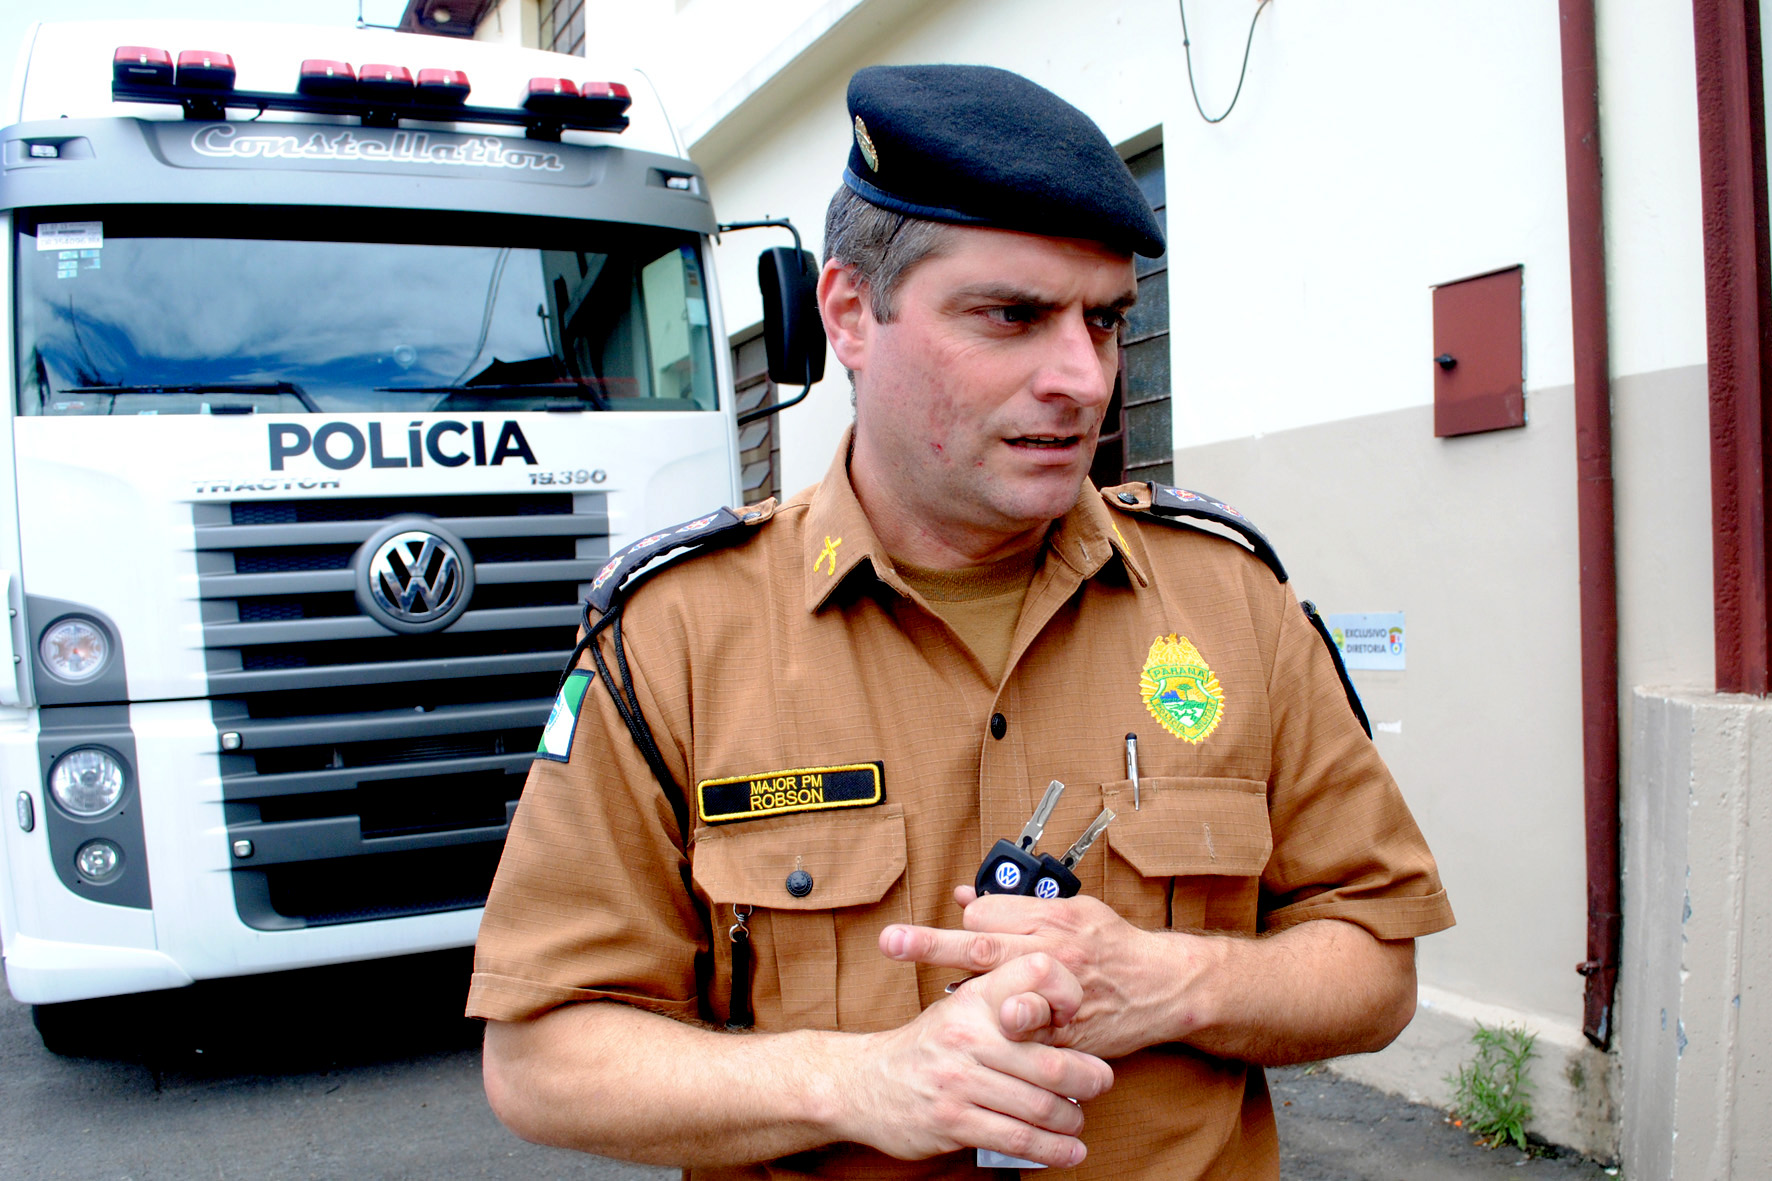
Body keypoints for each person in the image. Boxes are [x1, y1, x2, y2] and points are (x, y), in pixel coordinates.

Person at [469, 63, 1454, 1179]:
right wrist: (857, 1080)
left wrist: (1168, 981)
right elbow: (541, 1055)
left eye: (1104, 320)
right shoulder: (680, 636)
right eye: (1012, 315)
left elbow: (1376, 964)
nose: (1081, 378)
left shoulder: (1228, 601)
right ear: (851, 312)